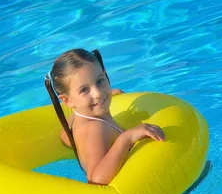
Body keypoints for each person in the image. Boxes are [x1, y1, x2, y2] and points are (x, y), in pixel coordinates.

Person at [45, 48, 165, 184]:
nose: (98, 93)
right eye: (84, 90)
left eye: (100, 81)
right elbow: (96, 180)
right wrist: (126, 138)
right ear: (67, 101)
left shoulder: (78, 118)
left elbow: (65, 138)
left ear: (105, 75)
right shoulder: (96, 129)